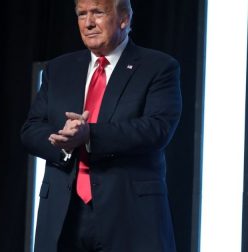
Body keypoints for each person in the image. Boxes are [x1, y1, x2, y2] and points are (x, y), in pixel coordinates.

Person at [21, 0, 182, 251]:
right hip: (64, 215)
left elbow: (156, 129)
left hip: (129, 214)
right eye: (82, 14)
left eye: (98, 12)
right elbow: (31, 129)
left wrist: (89, 135)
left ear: (124, 19)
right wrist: (63, 141)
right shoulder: (59, 68)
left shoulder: (158, 67)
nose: (88, 23)